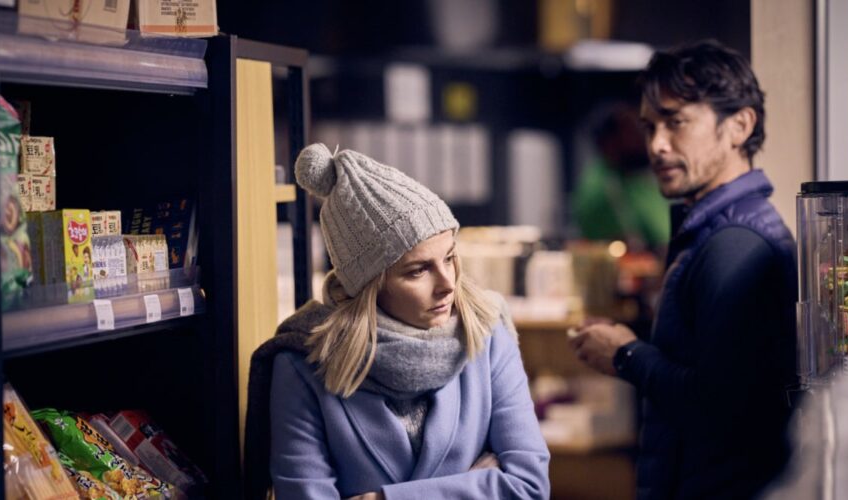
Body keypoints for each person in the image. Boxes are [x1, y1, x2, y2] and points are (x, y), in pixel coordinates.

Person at [244, 144, 550, 499]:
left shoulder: (486, 332)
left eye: (449, 258)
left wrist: (382, 498)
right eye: (418, 270)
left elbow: (529, 486)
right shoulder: (302, 363)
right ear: (370, 285)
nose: (448, 284)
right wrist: (475, 487)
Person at [569, 40, 798, 499]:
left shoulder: (736, 243)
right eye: (650, 126)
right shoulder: (716, 232)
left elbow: (719, 407)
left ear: (740, 125)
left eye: (676, 122)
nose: (657, 144)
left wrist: (626, 355)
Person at [572, 102, 670, 251]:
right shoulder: (602, 189)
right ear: (608, 142)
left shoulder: (635, 176)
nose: (643, 137)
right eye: (631, 131)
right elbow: (631, 247)